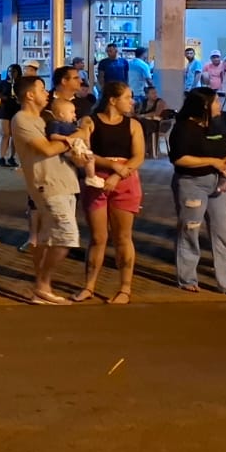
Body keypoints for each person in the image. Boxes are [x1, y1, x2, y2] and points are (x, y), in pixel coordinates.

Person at [169, 86, 226, 297]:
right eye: (216, 101)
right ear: (204, 105)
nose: (219, 105)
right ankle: (187, 279)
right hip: (192, 184)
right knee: (190, 230)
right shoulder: (183, 128)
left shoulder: (216, 125)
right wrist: (212, 161)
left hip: (218, 185)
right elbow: (180, 159)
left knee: (223, 231)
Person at [11, 75, 81, 305]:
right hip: (48, 184)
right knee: (67, 236)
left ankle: (42, 287)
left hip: (66, 182)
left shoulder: (46, 118)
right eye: (42, 89)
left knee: (49, 237)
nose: (47, 93)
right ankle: (42, 283)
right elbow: (47, 149)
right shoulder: (21, 119)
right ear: (30, 95)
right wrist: (76, 136)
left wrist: (75, 146)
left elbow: (63, 148)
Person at [77, 81, 144, 305]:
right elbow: (84, 150)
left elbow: (138, 156)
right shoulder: (90, 122)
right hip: (96, 181)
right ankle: (89, 286)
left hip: (125, 181)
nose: (132, 101)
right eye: (127, 97)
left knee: (123, 237)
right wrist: (110, 165)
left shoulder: (133, 125)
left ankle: (125, 288)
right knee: (98, 237)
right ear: (113, 100)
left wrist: (117, 175)